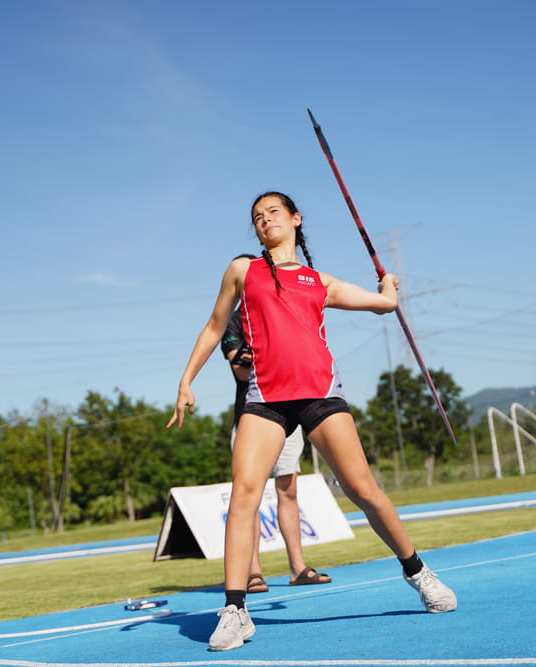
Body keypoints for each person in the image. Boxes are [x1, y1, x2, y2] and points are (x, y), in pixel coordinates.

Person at [168, 192, 456, 652]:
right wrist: (186, 380)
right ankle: (235, 609)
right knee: (244, 491)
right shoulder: (244, 270)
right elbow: (213, 325)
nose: (265, 221)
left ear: (296, 219)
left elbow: (381, 306)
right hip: (266, 400)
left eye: (273, 213)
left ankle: (418, 572)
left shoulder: (319, 281)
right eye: (257, 218)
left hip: (320, 395)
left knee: (363, 490)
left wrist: (389, 287)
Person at [220, 301, 332, 593]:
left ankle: (298, 568)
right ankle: (253, 572)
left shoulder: (280, 309)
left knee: (289, 489)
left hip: (291, 414)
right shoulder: (234, 321)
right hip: (252, 418)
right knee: (249, 495)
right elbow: (242, 370)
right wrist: (273, 354)